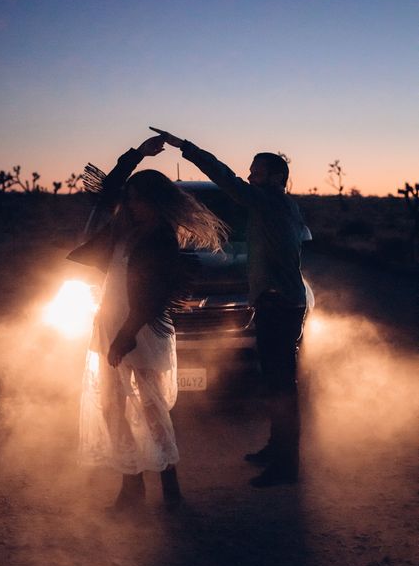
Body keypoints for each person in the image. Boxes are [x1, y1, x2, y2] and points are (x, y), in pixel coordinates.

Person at [67, 135, 227, 512]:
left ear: (154, 201)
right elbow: (108, 190)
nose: (131, 203)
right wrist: (137, 154)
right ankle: (131, 488)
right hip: (110, 325)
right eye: (131, 197)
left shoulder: (161, 240)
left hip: (139, 333)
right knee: (112, 406)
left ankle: (171, 491)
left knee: (151, 409)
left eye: (138, 198)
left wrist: (125, 337)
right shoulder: (122, 229)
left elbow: (151, 298)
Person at [150, 127, 308, 487]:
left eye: (257, 171)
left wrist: (184, 147)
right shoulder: (286, 206)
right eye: (251, 171)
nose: (250, 176)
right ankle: (277, 448)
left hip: (277, 305)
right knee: (276, 381)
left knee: (282, 385)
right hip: (281, 301)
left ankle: (286, 467)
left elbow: (224, 177)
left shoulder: (266, 202)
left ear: (275, 177)